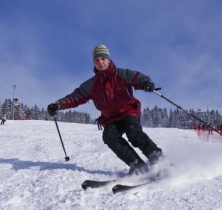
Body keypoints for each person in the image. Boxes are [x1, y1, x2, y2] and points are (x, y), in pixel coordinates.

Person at [47, 44, 163, 175]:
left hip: (129, 111)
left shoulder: (121, 74)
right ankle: (137, 164)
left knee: (133, 133)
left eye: (103, 58)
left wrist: (145, 83)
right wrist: (58, 105)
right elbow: (76, 97)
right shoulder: (91, 84)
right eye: (97, 60)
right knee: (109, 137)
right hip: (111, 118)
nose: (100, 62)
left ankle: (157, 159)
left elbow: (138, 77)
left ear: (108, 59)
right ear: (94, 63)